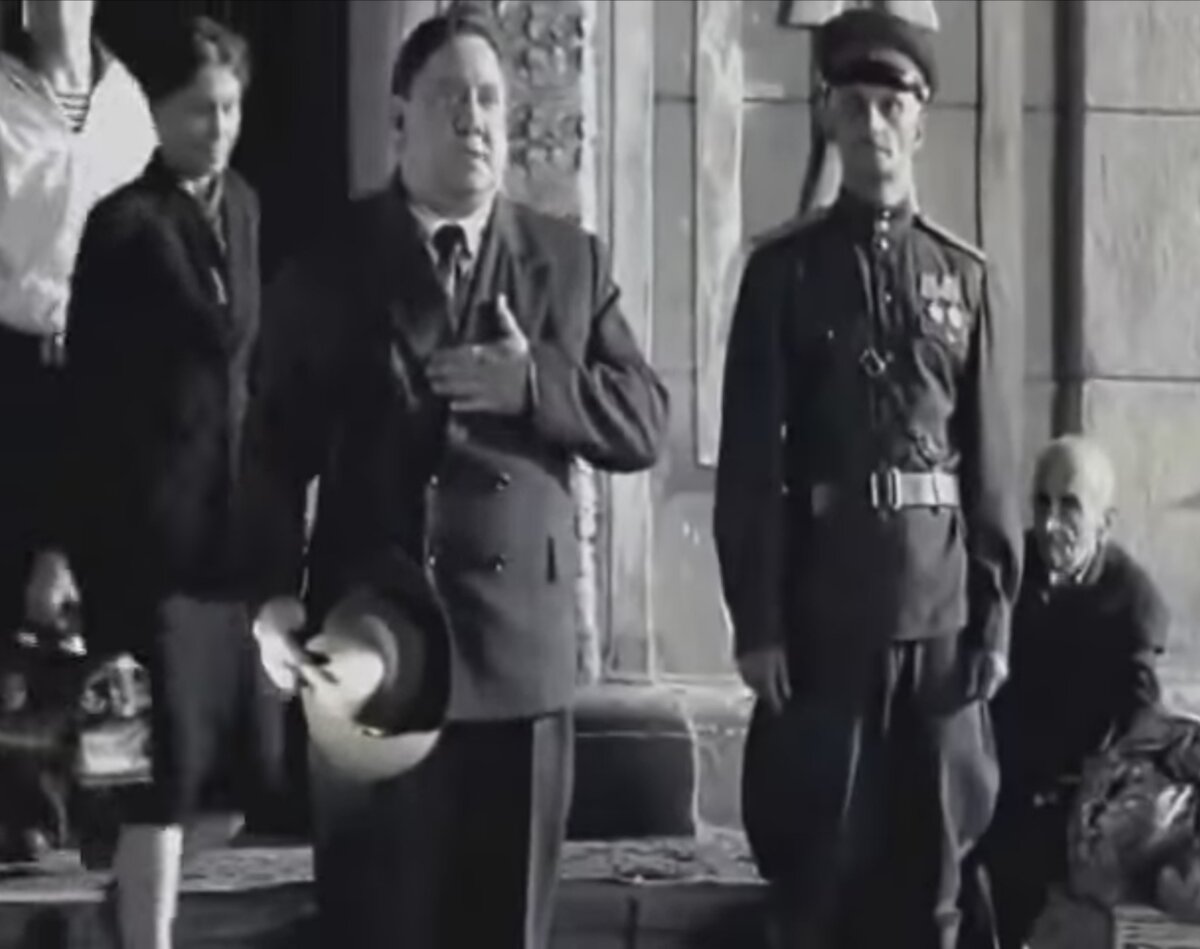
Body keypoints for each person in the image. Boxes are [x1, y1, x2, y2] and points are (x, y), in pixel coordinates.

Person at [239, 9, 668, 949]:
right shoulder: (331, 266)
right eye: (450, 99)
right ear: (399, 121)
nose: (474, 120)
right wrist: (270, 599)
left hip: (518, 667)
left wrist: (536, 386)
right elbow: (268, 454)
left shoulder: (566, 261)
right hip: (376, 658)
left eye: (489, 100)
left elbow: (644, 420)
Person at [713, 8, 1023, 948]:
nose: (872, 125)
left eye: (892, 106)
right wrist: (758, 621)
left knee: (933, 875)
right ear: (829, 118)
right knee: (819, 866)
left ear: (921, 122)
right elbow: (750, 465)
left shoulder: (963, 278)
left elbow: (993, 465)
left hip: (939, 616)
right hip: (826, 614)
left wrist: (995, 618)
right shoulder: (784, 273)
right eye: (853, 105)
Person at [41, 17, 281, 949]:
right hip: (140, 546)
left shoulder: (245, 207)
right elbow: (85, 400)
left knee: (240, 774)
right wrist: (61, 546)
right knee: (155, 770)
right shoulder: (124, 227)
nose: (217, 130)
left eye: (229, 109)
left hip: (228, 544)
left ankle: (118, 912)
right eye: (197, 112)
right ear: (158, 113)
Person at [0, 1, 155, 858]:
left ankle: (113, 796)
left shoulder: (127, 100)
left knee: (110, 584)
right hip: (16, 363)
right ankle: (24, 801)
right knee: (20, 584)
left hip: (112, 366)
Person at [964, 435, 1168, 949]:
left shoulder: (1132, 601)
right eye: (1042, 503)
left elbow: (1139, 723)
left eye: (1070, 507)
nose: (1051, 524)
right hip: (998, 788)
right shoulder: (1007, 574)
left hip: (1076, 808)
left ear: (1105, 522)